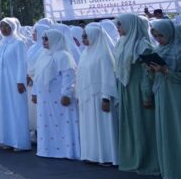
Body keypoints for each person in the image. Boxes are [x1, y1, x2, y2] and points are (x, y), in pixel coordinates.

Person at [147, 20, 181, 179]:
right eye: (155, 36)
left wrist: (167, 71)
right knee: (167, 130)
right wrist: (151, 70)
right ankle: (171, 170)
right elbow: (156, 77)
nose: (158, 39)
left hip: (178, 96)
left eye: (161, 35)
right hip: (163, 94)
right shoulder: (160, 50)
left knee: (180, 129)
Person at [31, 29, 80, 160]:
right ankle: (48, 150)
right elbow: (37, 76)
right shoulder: (44, 55)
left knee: (63, 123)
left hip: (59, 98)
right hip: (45, 99)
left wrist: (67, 94)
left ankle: (66, 151)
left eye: (46, 39)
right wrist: (34, 92)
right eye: (43, 39)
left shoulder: (64, 55)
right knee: (46, 123)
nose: (44, 42)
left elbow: (69, 75)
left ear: (55, 39)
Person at [76, 25, 119, 165]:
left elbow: (108, 77)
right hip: (87, 97)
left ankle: (106, 156)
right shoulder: (85, 53)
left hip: (100, 97)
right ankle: (92, 155)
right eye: (82, 36)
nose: (83, 39)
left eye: (85, 36)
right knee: (90, 127)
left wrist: (106, 98)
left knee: (103, 128)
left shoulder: (103, 54)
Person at [0, 18, 31, 151]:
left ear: (12, 27)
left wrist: (20, 81)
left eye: (6, 26)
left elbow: (22, 63)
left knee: (16, 109)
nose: (3, 29)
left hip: (14, 82)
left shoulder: (18, 42)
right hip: (2, 82)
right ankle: (7, 139)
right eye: (1, 26)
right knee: (5, 110)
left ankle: (20, 142)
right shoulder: (2, 43)